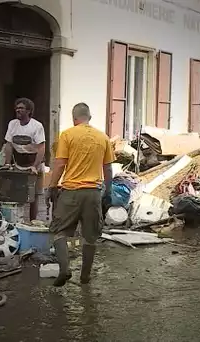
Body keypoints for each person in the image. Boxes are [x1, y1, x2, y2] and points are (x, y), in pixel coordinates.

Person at [46, 103, 114, 287]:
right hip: (93, 193)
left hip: (71, 193)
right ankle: (85, 277)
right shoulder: (103, 137)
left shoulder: (67, 135)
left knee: (59, 232)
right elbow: (107, 168)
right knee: (90, 237)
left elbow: (60, 164)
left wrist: (52, 187)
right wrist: (108, 190)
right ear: (89, 117)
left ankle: (64, 269)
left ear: (74, 118)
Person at [3, 98, 46, 221]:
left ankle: (32, 221)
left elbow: (41, 148)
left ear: (29, 111)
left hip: (34, 161)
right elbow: (9, 144)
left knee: (34, 195)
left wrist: (35, 166)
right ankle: (17, 220)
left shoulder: (37, 126)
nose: (18, 110)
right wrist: (7, 163)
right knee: (17, 191)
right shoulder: (12, 124)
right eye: (17, 108)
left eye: (21, 108)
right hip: (19, 161)